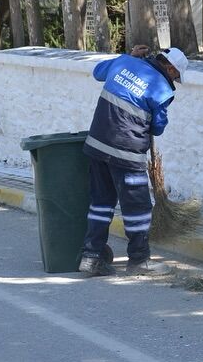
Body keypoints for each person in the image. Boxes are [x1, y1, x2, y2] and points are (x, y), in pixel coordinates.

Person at [79, 45, 189, 276]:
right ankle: (139, 260)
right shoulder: (163, 90)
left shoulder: (122, 62)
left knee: (101, 203)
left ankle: (90, 257)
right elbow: (157, 128)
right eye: (176, 76)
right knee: (137, 208)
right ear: (170, 69)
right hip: (126, 153)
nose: (175, 81)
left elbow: (98, 72)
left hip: (97, 144)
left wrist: (128, 58)